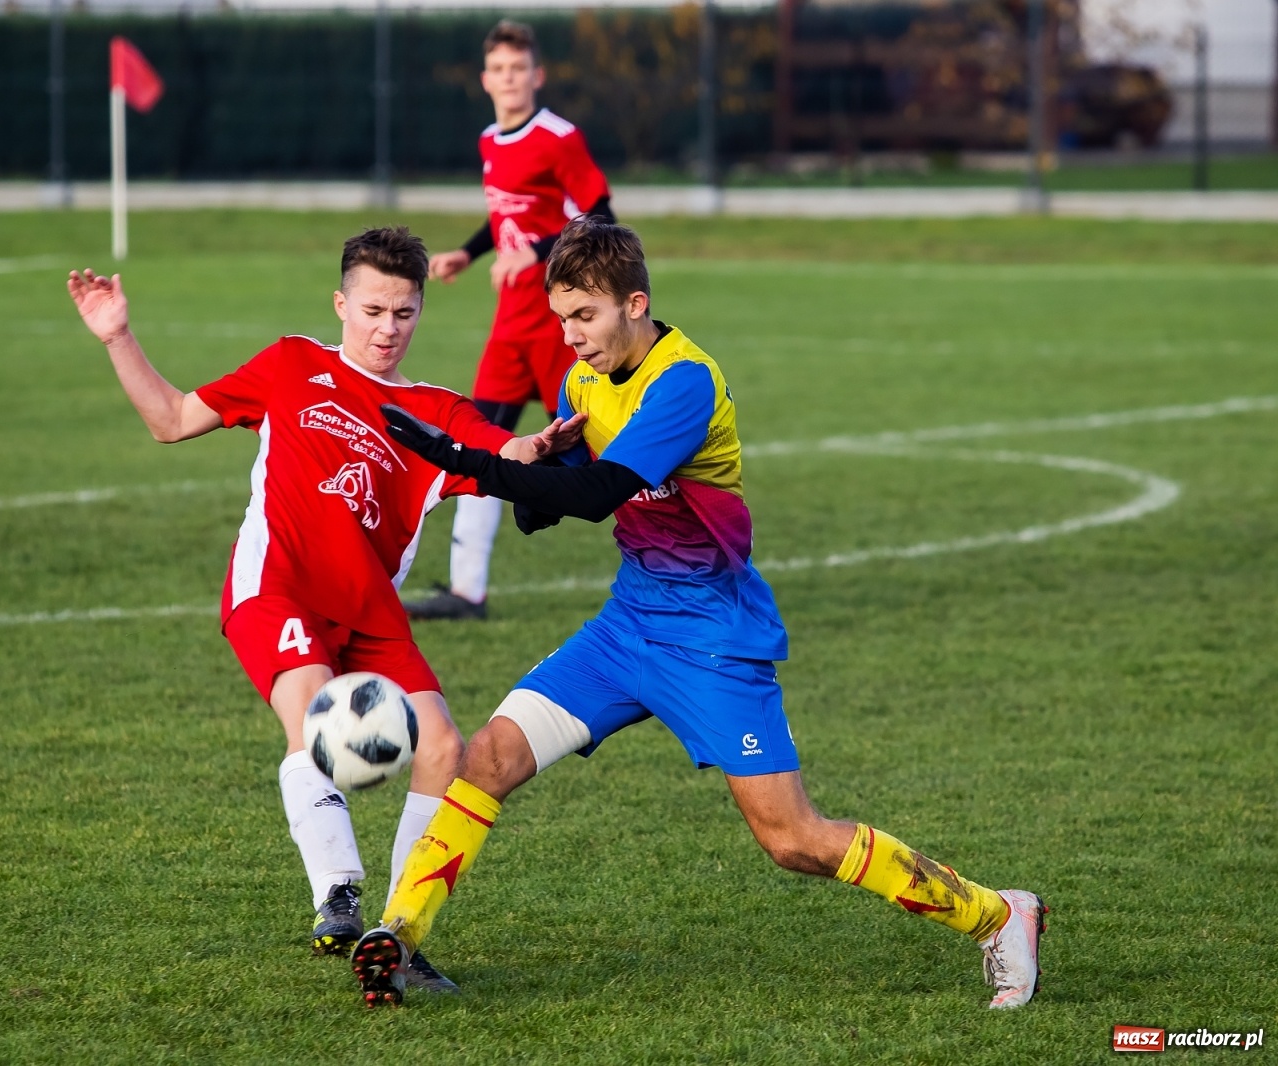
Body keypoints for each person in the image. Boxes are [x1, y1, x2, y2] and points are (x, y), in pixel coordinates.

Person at [350, 220, 1049, 1010]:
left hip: (712, 636)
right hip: (627, 627)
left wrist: (467, 460)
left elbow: (597, 497)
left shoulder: (683, 382)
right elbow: (552, 504)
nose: (571, 339)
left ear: (635, 304)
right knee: (489, 758)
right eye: (562, 320)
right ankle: (399, 939)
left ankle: (998, 916)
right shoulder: (584, 383)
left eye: (585, 318)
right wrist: (532, 461)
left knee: (792, 840)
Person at [66, 226, 583, 995]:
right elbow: (170, 420)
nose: (386, 328)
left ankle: (399, 931)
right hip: (278, 587)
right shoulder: (292, 364)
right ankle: (337, 892)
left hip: (371, 613)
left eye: (404, 313)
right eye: (373, 309)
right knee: (311, 712)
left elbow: (495, 452)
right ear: (341, 304)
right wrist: (118, 337)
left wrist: (533, 449)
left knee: (443, 745)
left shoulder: (435, 411)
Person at [404, 18, 615, 622]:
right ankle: (467, 591)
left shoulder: (559, 137)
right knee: (478, 446)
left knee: (593, 456)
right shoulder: (490, 141)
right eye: (498, 69)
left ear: (537, 75)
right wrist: (469, 254)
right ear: (485, 78)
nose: (509, 79)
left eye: (518, 69)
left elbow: (600, 214)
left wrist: (535, 253)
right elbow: (503, 219)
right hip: (508, 327)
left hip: (556, 324)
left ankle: (674, 565)